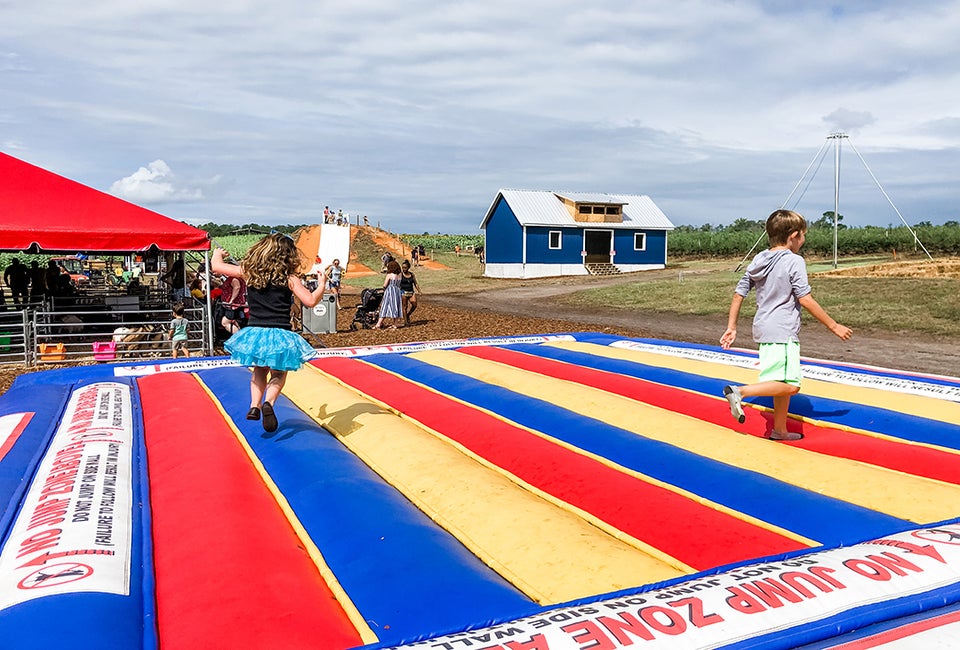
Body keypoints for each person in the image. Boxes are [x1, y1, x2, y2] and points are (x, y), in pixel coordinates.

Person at [720, 209, 853, 441]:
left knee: (779, 382)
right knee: (792, 386)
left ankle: (779, 431)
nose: (804, 240)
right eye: (803, 235)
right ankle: (740, 392)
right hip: (783, 331)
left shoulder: (759, 259)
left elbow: (739, 293)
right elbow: (805, 299)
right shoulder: (794, 261)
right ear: (793, 236)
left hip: (764, 329)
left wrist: (732, 326)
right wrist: (834, 326)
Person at [211, 233, 327, 433]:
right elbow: (309, 301)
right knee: (279, 372)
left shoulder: (250, 272)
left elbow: (217, 267)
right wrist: (322, 284)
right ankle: (269, 403)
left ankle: (254, 406)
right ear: (288, 256)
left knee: (259, 370)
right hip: (280, 333)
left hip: (256, 332)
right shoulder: (290, 278)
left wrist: (217, 253)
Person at [373, 260, 403, 329]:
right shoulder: (400, 275)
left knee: (385, 306)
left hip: (390, 291)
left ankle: (378, 324)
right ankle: (395, 324)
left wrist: (383, 289)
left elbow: (385, 285)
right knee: (396, 306)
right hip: (397, 291)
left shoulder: (389, 275)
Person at [399, 260, 421, 325]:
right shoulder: (400, 275)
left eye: (405, 268)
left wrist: (419, 291)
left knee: (414, 305)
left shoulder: (412, 274)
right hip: (403, 292)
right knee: (404, 307)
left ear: (408, 268)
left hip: (411, 292)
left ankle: (408, 314)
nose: (403, 269)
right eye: (402, 267)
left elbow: (415, 283)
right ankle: (406, 322)